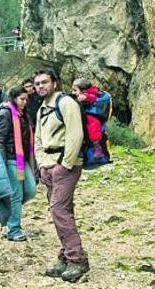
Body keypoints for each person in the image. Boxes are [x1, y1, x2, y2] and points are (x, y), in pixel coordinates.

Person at [33, 69, 89, 282]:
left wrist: (64, 165)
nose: (40, 86)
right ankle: (66, 256)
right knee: (62, 211)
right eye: (37, 83)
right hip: (48, 166)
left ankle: (77, 259)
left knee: (59, 209)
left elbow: (76, 134)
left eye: (45, 82)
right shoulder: (42, 109)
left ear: (54, 83)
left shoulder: (66, 103)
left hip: (65, 165)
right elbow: (38, 138)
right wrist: (41, 164)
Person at [0, 85, 37, 242]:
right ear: (14, 98)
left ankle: (5, 209)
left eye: (26, 99)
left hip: (23, 159)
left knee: (31, 190)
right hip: (11, 159)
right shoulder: (5, 114)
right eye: (22, 99)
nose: (24, 102)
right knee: (16, 195)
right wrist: (1, 164)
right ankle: (14, 230)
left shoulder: (23, 114)